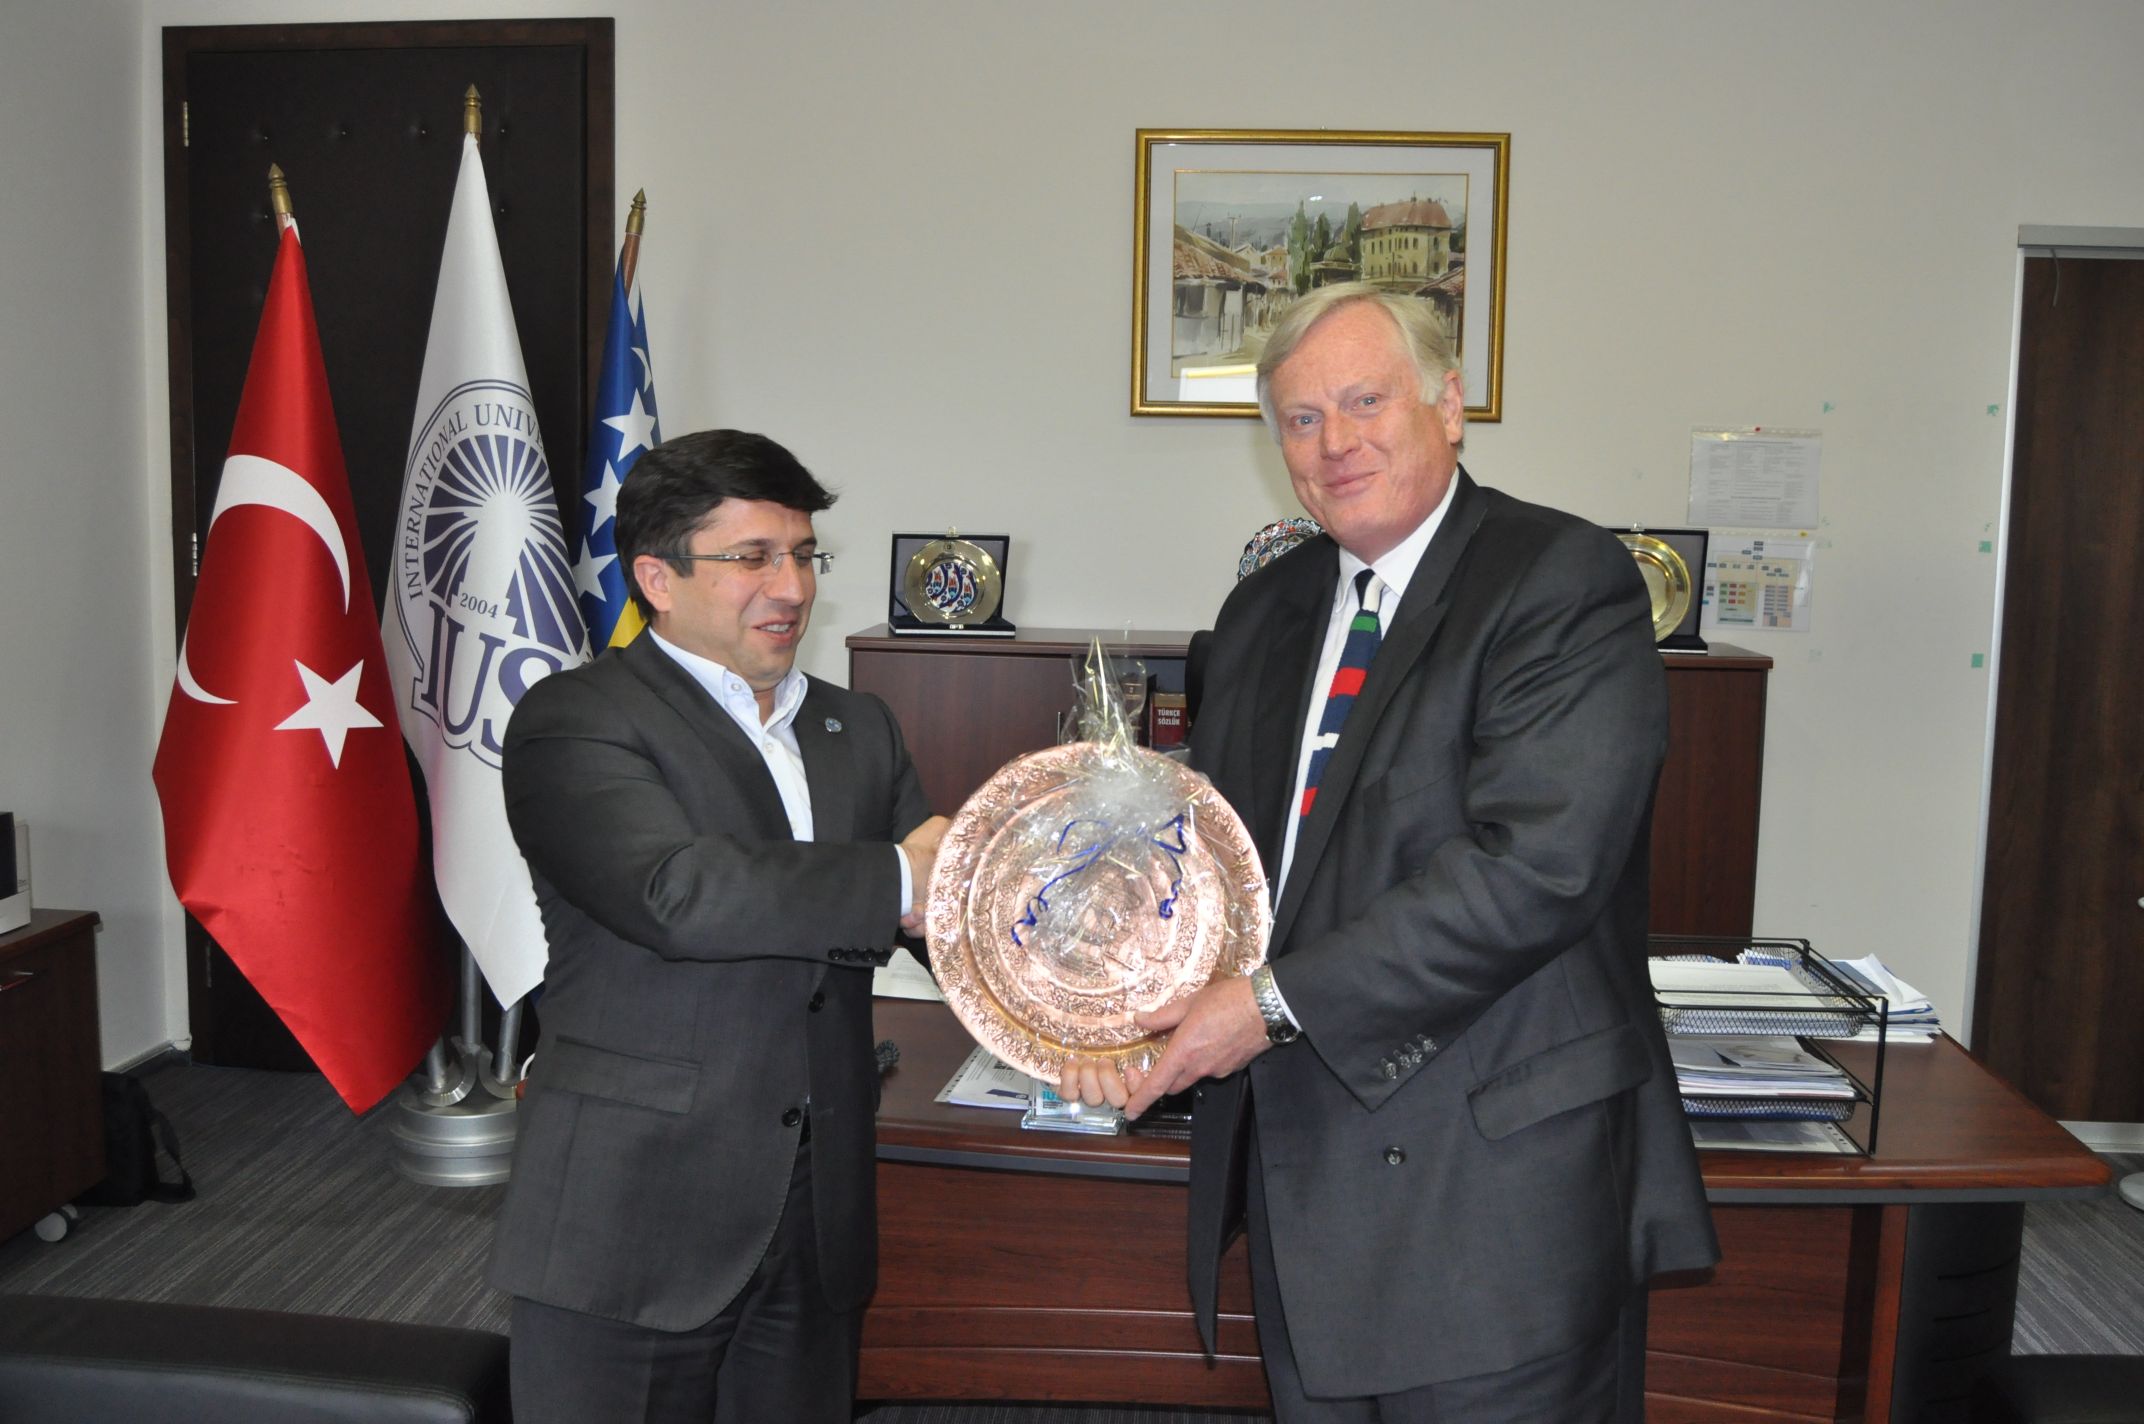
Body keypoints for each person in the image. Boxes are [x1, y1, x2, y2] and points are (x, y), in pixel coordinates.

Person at [1066, 284, 1719, 1421]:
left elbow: (1535, 869)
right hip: (1304, 1183)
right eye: (1302, 418)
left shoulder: (1559, 580)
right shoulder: (1261, 614)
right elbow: (1215, 864)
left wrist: (1263, 1006)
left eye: (1364, 401)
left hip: (1496, 1206)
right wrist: (1099, 992)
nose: (1335, 441)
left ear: (1447, 406)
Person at [490, 428, 946, 1424]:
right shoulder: (576, 718)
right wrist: (902, 873)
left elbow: (941, 908)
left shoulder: (856, 726)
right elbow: (676, 891)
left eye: (804, 555)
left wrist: (1084, 951)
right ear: (657, 576)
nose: (791, 587)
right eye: (753, 557)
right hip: (636, 1211)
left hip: (817, 1207)